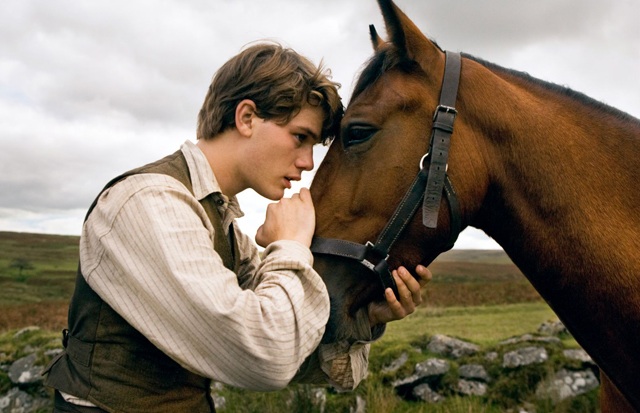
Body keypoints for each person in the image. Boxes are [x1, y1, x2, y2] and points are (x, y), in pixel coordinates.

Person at [43, 42, 432, 412]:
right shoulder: (149, 203)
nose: (308, 162)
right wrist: (291, 245)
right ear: (246, 117)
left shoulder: (219, 221)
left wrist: (363, 318)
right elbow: (266, 356)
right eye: (300, 137)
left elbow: (290, 348)